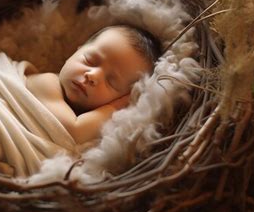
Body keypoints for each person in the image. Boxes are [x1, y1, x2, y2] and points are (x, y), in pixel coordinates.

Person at [26, 25, 161, 144]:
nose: (92, 76)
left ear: (120, 95)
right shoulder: (46, 82)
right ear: (75, 51)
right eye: (89, 60)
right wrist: (115, 106)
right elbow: (73, 132)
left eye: (111, 82)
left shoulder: (97, 131)